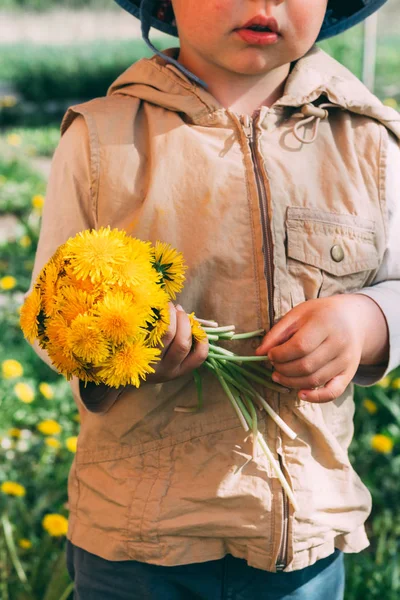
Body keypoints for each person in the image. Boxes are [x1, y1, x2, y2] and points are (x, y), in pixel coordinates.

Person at [25, 0, 400, 598]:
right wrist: (128, 345)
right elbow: (51, 314)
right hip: (137, 542)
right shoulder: (101, 140)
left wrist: (367, 320)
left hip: (298, 538)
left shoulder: (370, 143)